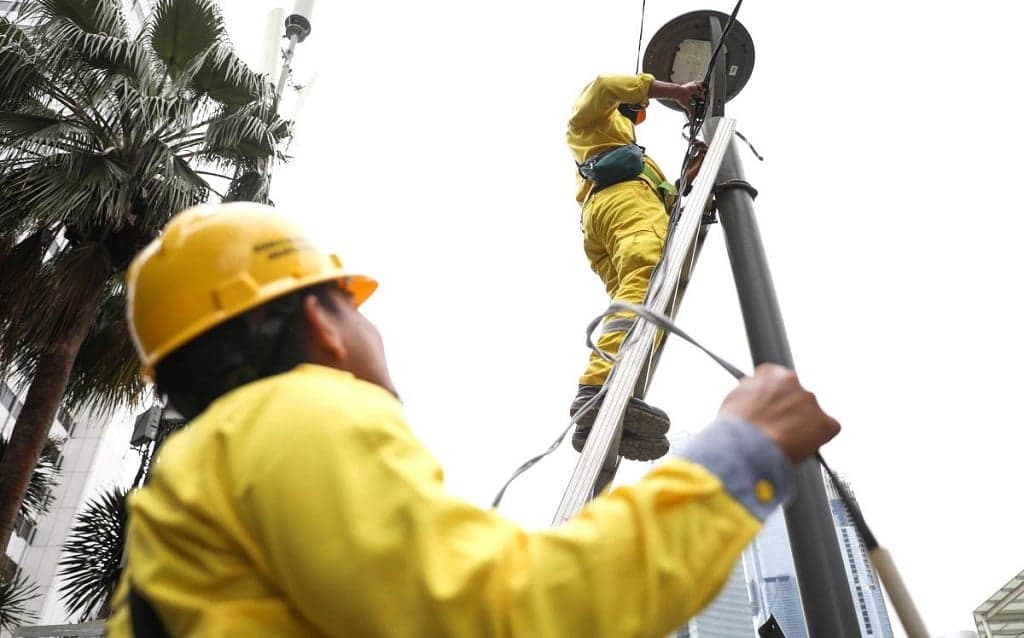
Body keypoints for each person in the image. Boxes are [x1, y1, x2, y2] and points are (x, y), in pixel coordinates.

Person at [107, 202, 840, 637]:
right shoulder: (295, 413)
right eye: (356, 308)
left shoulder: (196, 487)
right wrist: (744, 453)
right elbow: (514, 616)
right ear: (324, 327)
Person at [567, 73, 707, 461]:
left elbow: (664, 202)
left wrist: (689, 178)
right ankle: (597, 389)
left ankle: (609, 406)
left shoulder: (635, 158)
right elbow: (602, 86)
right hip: (620, 207)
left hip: (612, 217)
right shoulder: (590, 124)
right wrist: (676, 91)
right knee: (648, 282)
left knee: (645, 303)